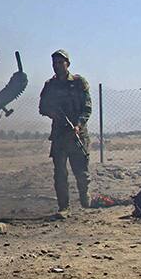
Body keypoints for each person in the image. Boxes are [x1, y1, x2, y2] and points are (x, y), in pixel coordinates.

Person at [38, 49, 92, 216]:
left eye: (60, 63)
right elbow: (42, 107)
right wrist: (53, 113)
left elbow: (87, 108)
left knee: (81, 172)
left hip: (77, 134)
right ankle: (64, 207)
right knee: (60, 174)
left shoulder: (78, 82)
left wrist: (78, 125)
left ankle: (84, 197)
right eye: (54, 63)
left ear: (68, 64)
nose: (57, 66)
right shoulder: (50, 85)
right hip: (59, 135)